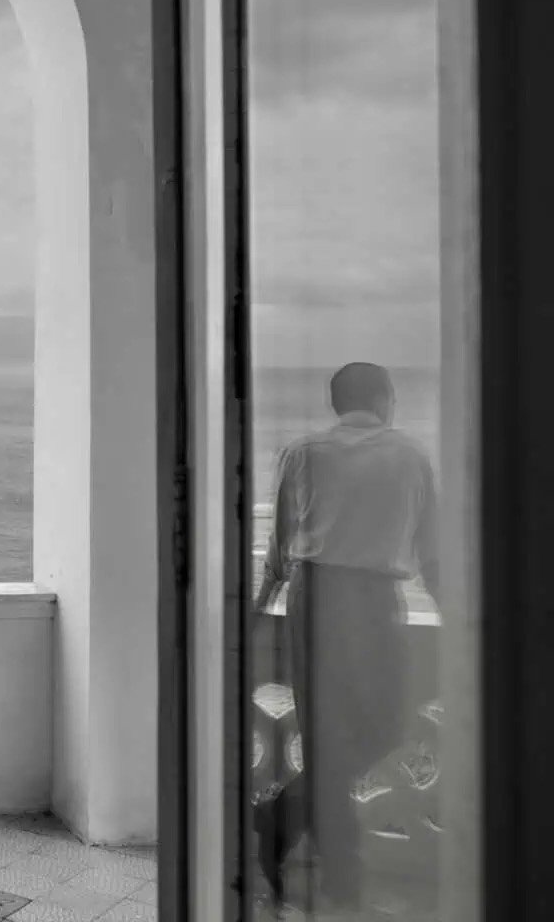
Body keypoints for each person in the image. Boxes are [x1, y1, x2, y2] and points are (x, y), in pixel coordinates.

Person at [253, 362, 440, 911]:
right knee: (388, 725)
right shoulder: (411, 455)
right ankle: (342, 877)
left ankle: (278, 818)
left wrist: (260, 611)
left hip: (315, 597)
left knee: (327, 738)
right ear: (385, 398)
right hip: (377, 600)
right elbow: (432, 551)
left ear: (338, 402)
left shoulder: (301, 453)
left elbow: (280, 547)